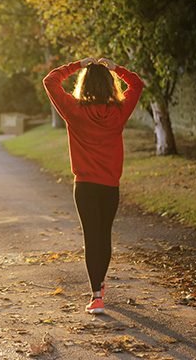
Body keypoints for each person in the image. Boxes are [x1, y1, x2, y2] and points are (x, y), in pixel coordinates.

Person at [43, 56, 143, 314]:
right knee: (104, 236)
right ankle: (99, 283)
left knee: (91, 237)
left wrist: (77, 65)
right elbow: (137, 84)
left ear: (84, 85)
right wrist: (116, 68)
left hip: (85, 186)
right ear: (110, 86)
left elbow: (50, 81)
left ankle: (96, 295)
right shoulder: (120, 111)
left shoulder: (74, 110)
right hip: (110, 186)